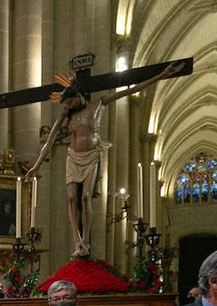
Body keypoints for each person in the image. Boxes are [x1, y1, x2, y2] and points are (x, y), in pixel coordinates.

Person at [28, 62, 183, 258]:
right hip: (73, 157)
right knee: (71, 198)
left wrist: (159, 76)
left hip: (91, 155)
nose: (66, 108)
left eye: (69, 104)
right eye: (65, 106)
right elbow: (49, 142)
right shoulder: (67, 115)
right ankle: (77, 242)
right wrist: (36, 166)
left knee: (85, 197)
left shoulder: (98, 104)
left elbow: (130, 90)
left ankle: (85, 241)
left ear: (77, 97)